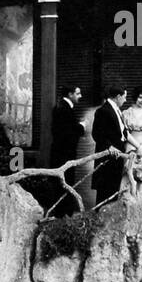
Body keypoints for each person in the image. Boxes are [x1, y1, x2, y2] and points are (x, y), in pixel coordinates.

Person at [50, 85, 85, 215]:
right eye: (78, 93)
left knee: (64, 183)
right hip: (64, 155)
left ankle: (63, 213)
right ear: (70, 94)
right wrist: (81, 127)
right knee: (65, 183)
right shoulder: (64, 109)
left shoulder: (62, 107)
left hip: (62, 154)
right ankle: (63, 213)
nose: (80, 96)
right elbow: (68, 133)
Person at [91, 85, 129, 204]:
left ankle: (110, 216)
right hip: (108, 155)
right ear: (118, 97)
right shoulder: (103, 110)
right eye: (124, 97)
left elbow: (123, 132)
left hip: (118, 154)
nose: (125, 100)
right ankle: (101, 217)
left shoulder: (117, 110)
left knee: (114, 186)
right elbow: (97, 133)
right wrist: (109, 146)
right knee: (105, 188)